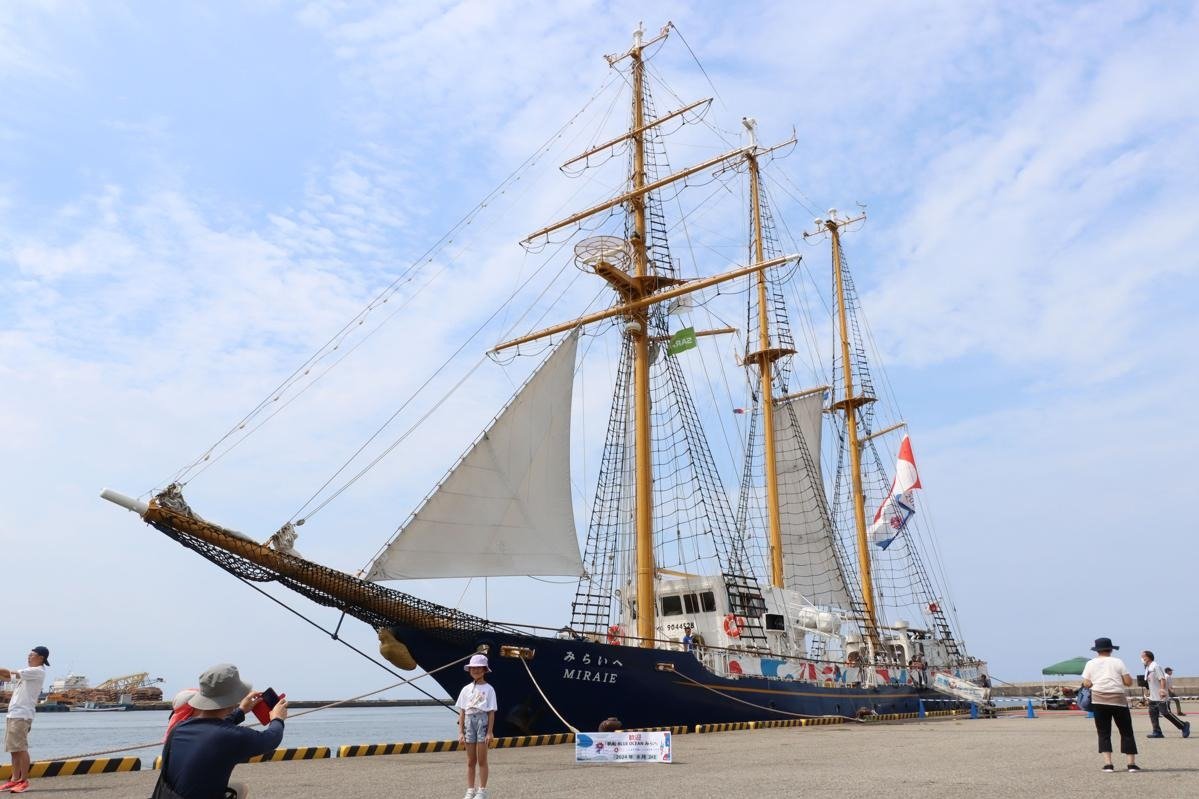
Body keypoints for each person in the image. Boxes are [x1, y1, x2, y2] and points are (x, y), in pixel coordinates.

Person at [160, 663, 288, 799]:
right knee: (241, 788)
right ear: (234, 699)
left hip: (166, 795)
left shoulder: (179, 728)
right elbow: (271, 739)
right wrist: (277, 718)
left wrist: (241, 711)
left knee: (238, 788)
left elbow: (214, 729)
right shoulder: (230, 736)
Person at [1081, 637, 1139, 772]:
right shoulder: (1118, 662)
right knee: (1126, 731)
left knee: (1103, 732)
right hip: (1118, 700)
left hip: (1099, 700)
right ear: (1111, 649)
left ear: (1097, 650)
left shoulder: (1090, 663)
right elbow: (1128, 682)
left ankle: (1108, 764)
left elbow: (1087, 683)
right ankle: (1131, 764)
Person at [0, 646, 50, 794]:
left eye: (32, 655)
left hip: (22, 715)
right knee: (13, 749)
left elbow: (10, 673)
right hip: (14, 714)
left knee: (21, 748)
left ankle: (24, 780)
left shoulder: (37, 671)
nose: (28, 657)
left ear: (40, 658)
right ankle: (15, 779)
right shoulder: (28, 673)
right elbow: (7, 677)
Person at [456, 654, 497, 799]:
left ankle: (482, 790)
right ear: (470, 670)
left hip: (482, 722)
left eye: (479, 668)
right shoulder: (465, 689)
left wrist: (490, 732)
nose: (476, 670)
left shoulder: (489, 689)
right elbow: (461, 712)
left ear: (485, 670)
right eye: (473, 668)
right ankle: (470, 789)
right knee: (470, 761)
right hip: (468, 722)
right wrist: (460, 732)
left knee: (482, 760)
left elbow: (491, 712)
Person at [1141, 651, 1190, 739]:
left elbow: (1162, 679)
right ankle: (1157, 732)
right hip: (1153, 697)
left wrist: (1162, 690)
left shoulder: (1156, 667)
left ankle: (1184, 725)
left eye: (1143, 657)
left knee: (1165, 713)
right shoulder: (1148, 669)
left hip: (1160, 696)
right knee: (1153, 714)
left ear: (1148, 657)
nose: (1141, 659)